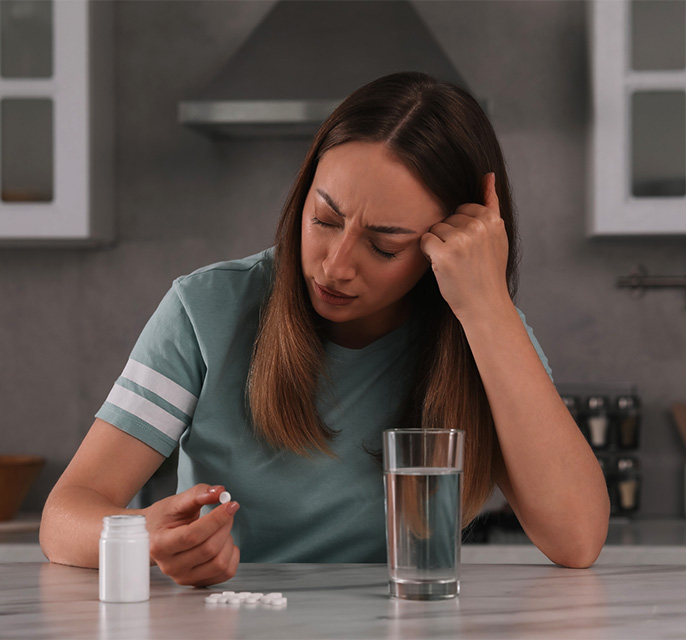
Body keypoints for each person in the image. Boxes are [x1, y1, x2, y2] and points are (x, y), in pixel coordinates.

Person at [40, 72, 610, 587]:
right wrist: (146, 536)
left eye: (384, 245)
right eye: (325, 219)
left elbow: (577, 539)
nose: (336, 265)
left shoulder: (485, 331)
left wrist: (486, 306)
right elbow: (66, 513)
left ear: (449, 244)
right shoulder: (206, 308)